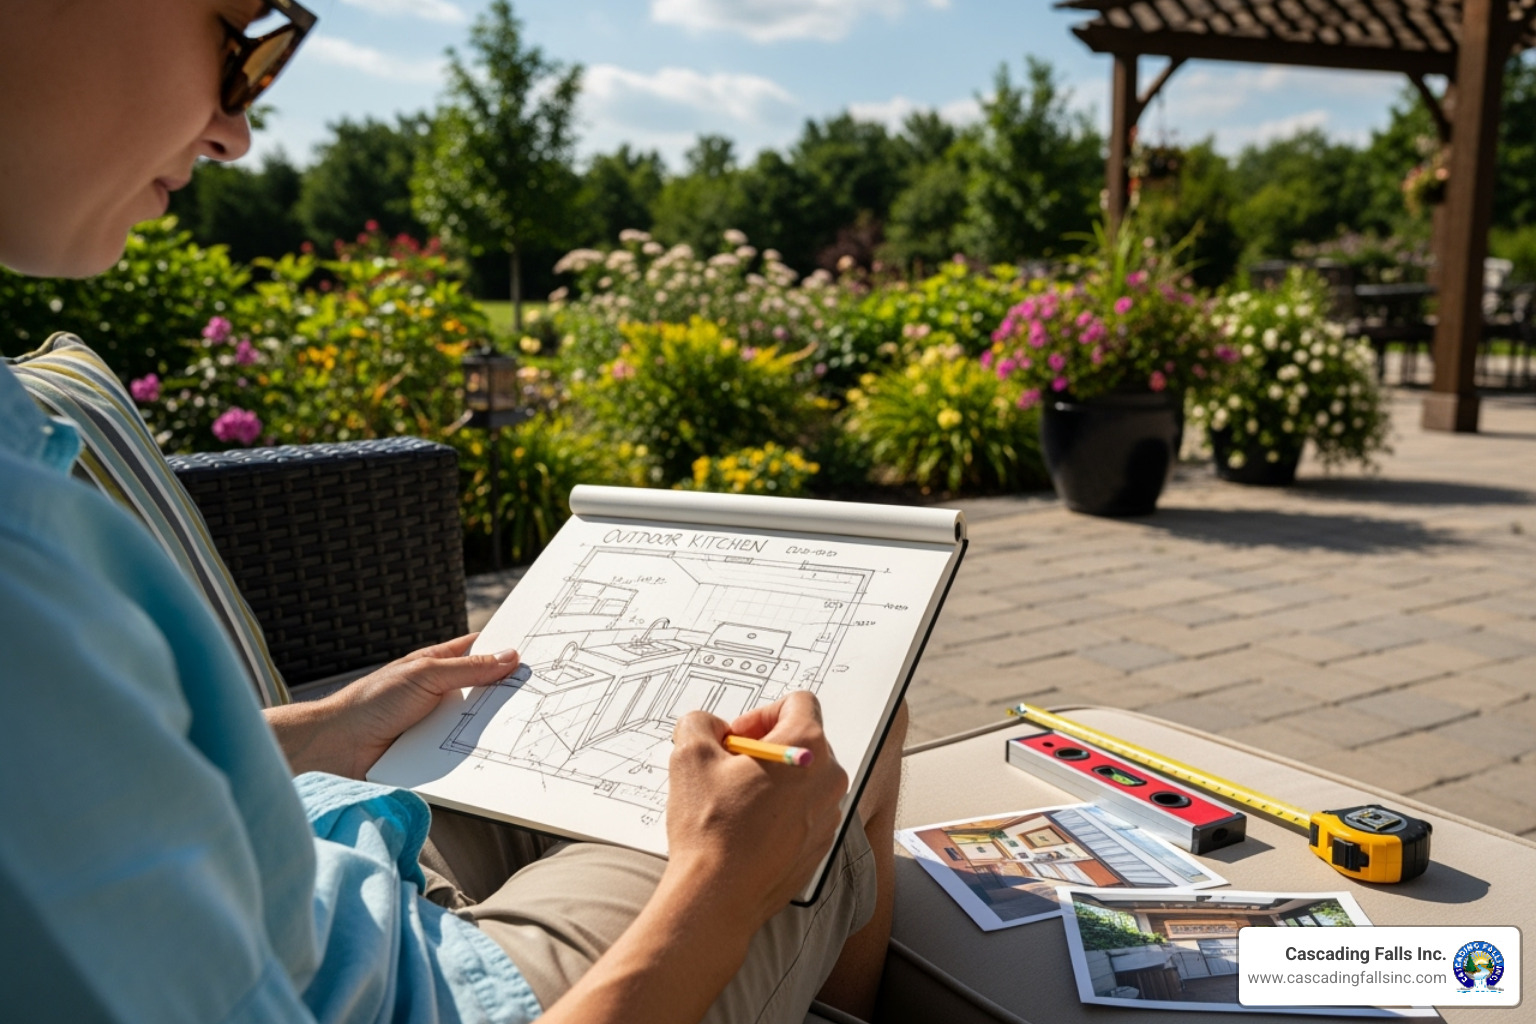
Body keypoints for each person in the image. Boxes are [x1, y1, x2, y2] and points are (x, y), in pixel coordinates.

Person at [0, 2, 905, 1022]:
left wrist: (322, 727)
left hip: (323, 847)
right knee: (839, 733)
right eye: (244, 36)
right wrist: (721, 886)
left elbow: (105, 800)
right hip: (427, 984)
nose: (237, 127)